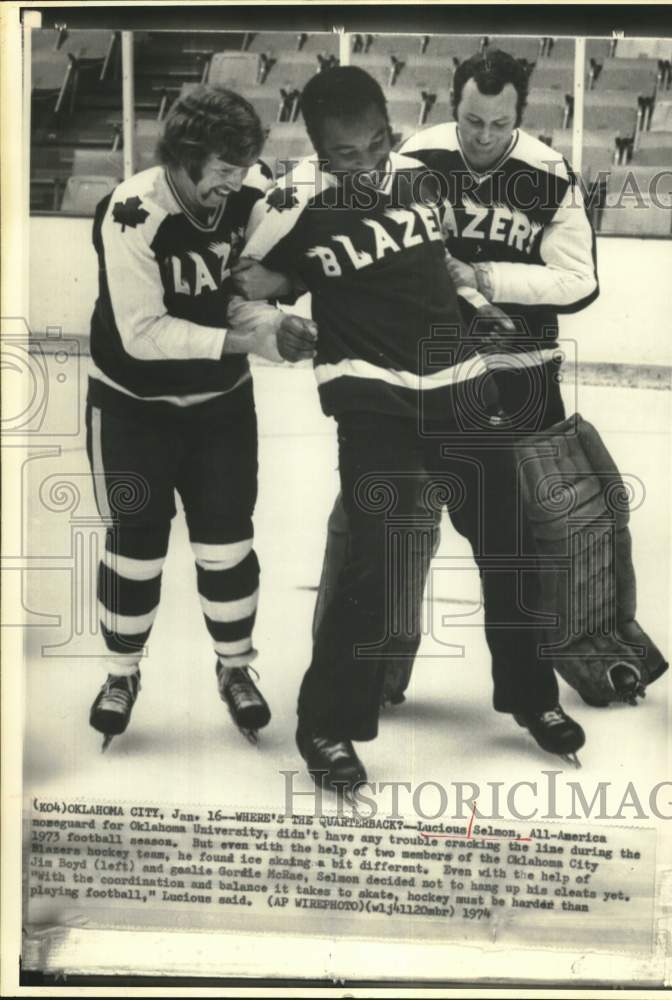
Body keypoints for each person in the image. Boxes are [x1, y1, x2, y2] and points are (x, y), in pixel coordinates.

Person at [232, 65, 587, 791]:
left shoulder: (422, 181)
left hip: (458, 385)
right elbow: (241, 288)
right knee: (378, 560)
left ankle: (531, 698)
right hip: (372, 399)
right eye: (340, 159)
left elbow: (434, 266)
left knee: (510, 543)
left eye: (368, 150)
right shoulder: (292, 204)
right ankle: (327, 725)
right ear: (316, 151)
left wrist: (468, 298)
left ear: (388, 137)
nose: (357, 170)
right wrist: (275, 321)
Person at [311, 47, 601, 712]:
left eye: (499, 125)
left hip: (522, 377)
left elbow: (580, 280)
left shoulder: (551, 173)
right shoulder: (417, 156)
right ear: (454, 107)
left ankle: (593, 667)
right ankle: (368, 675)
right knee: (379, 519)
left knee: (552, 528)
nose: (484, 138)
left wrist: (488, 279)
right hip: (425, 372)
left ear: (520, 116)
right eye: (473, 122)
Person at [85, 85, 317, 750]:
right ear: (183, 160)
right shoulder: (130, 212)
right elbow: (142, 333)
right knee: (135, 545)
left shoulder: (247, 195)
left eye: (241, 170)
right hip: (132, 409)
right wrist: (246, 339)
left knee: (227, 542)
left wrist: (277, 330)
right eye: (220, 171)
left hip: (219, 407)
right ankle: (121, 672)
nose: (232, 185)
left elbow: (233, 300)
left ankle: (235, 667)